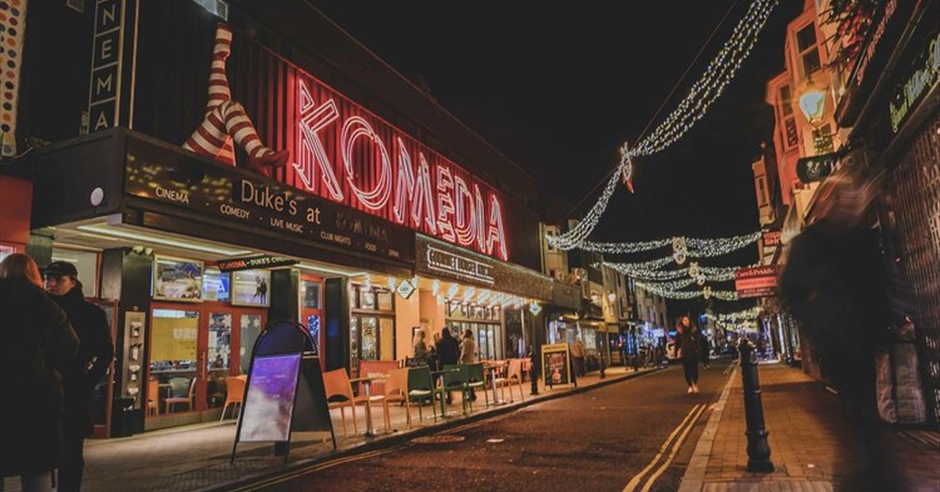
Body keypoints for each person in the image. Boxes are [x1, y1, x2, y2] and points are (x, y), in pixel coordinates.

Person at [1, 254, 79, 492]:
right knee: (37, 464)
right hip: (38, 395)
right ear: (35, 275)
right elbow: (70, 347)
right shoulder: (47, 306)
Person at [42, 261, 115, 492]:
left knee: (72, 452)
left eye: (58, 280)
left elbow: (105, 352)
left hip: (73, 389)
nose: (51, 284)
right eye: (47, 279)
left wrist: (87, 381)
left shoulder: (91, 313)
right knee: (39, 450)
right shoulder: (39, 309)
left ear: (73, 282)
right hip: (42, 388)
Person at [182, 22, 288, 175]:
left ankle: (219, 56)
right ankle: (257, 153)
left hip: (194, 169)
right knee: (226, 109)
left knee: (223, 111)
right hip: (189, 169)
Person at [673, 316, 701, 393]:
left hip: (693, 353)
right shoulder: (679, 333)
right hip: (684, 354)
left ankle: (695, 383)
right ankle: (690, 385)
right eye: (684, 320)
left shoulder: (693, 331)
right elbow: (677, 343)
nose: (685, 322)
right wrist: (675, 353)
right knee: (687, 371)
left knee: (694, 370)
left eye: (687, 320)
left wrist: (697, 349)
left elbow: (698, 341)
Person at [435, 327, 460, 404]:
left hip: (443, 364)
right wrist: (455, 359)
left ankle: (445, 395)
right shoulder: (454, 341)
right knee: (450, 380)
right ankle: (449, 395)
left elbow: (438, 354)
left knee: (443, 381)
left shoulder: (439, 342)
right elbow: (458, 352)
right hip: (452, 364)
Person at [458, 329, 478, 401]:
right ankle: (472, 394)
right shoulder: (472, 342)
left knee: (466, 380)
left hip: (466, 363)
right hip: (471, 362)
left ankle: (470, 395)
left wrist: (460, 358)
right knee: (470, 380)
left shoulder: (465, 341)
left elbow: (464, 352)